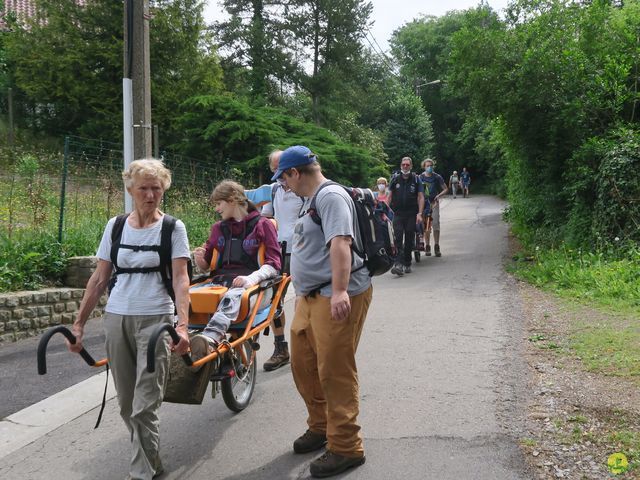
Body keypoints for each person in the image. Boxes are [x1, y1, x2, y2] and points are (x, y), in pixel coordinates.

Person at [67, 159, 191, 480]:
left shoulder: (172, 228)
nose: (150, 195)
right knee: (125, 404)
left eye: (156, 188)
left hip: (156, 321)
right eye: (143, 188)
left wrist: (182, 325)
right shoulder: (116, 226)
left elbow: (180, 279)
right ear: (130, 190)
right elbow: (98, 278)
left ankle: (140, 474)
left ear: (163, 190)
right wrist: (79, 323)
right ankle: (152, 462)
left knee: (144, 404)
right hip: (117, 318)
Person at [272, 145, 373, 478]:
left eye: (284, 178)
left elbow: (340, 243)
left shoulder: (330, 197)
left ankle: (346, 446)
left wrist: (341, 291)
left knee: (334, 371)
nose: (283, 186)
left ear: (295, 173)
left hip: (336, 295)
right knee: (303, 363)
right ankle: (320, 427)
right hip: (310, 297)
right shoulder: (310, 201)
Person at [191, 180, 281, 355]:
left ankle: (210, 339)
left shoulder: (263, 225)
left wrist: (251, 279)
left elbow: (274, 263)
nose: (216, 209)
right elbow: (205, 266)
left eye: (219, 203)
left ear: (232, 200)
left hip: (254, 286)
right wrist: (199, 259)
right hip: (220, 282)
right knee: (188, 296)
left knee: (231, 297)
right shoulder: (218, 228)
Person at [245, 150, 305, 371]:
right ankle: (281, 348)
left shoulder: (303, 189)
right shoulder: (274, 190)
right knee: (273, 300)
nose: (283, 175)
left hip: (301, 250)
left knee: (305, 297)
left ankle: (306, 344)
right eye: (278, 170)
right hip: (277, 250)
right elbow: (267, 217)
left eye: (286, 170)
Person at [387, 157, 425, 275]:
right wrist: (385, 210)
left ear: (411, 166)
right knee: (397, 237)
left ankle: (407, 262)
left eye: (407, 165)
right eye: (403, 164)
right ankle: (398, 263)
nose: (405, 166)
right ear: (400, 165)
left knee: (409, 238)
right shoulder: (395, 179)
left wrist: (419, 213)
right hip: (398, 213)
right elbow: (389, 196)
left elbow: (421, 197)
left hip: (411, 214)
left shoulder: (416, 179)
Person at [418, 158, 448, 257]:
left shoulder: (437, 177)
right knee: (426, 225)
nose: (429, 167)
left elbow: (445, 189)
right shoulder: (420, 177)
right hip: (424, 204)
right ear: (424, 166)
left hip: (434, 203)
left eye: (431, 165)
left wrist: (439, 195)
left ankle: (436, 245)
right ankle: (427, 246)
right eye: (427, 166)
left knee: (435, 223)